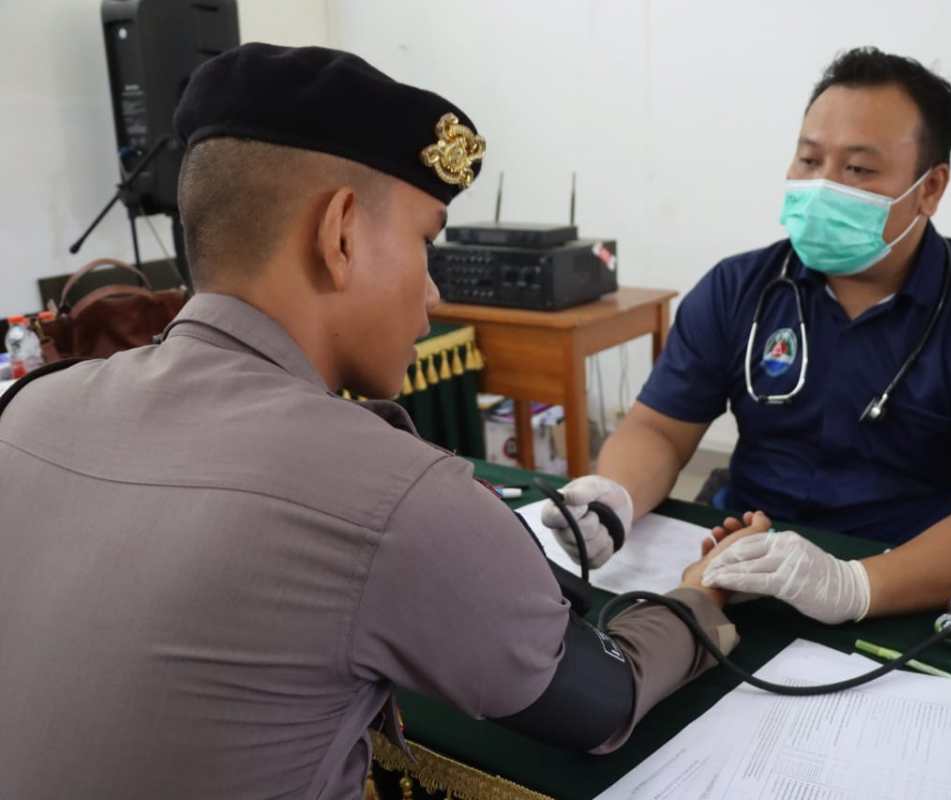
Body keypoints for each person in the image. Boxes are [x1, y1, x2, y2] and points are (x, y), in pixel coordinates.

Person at [0, 43, 749, 800]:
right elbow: (600, 700)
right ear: (341, 235)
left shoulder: (29, 411)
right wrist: (700, 597)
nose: (432, 293)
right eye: (426, 242)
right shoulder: (393, 496)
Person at [544, 47, 951, 625]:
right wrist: (615, 497)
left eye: (858, 170)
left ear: (930, 188)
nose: (822, 187)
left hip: (906, 585)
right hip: (740, 563)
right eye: (810, 159)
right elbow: (660, 429)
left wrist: (851, 585)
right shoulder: (738, 288)